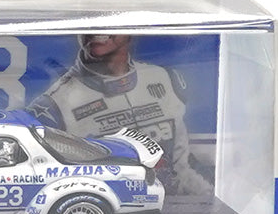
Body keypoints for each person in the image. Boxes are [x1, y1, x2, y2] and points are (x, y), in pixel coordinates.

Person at [27, 34, 213, 197]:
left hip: (177, 209)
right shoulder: (52, 106)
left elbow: (182, 170)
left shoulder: (165, 78)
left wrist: (210, 200)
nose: (96, 31)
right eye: (89, 21)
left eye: (107, 20)